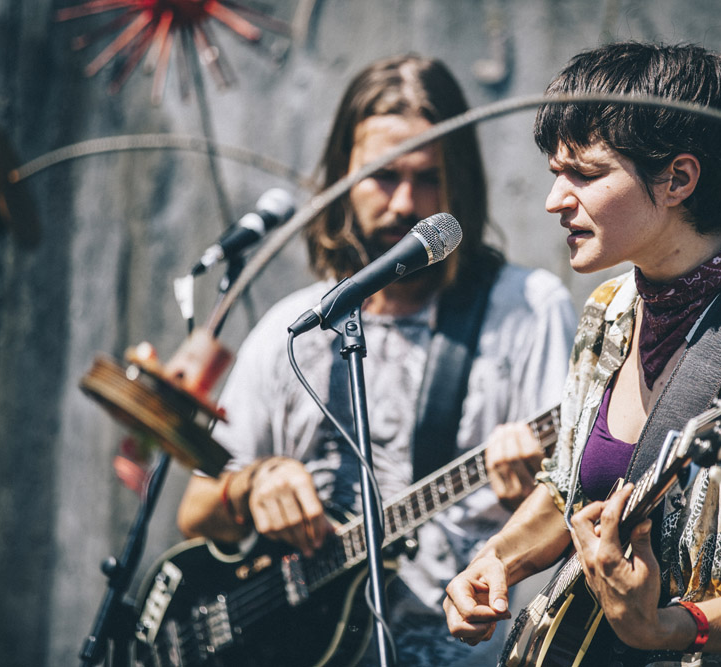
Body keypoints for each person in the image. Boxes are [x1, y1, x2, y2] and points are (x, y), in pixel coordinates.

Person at [444, 42, 721, 666]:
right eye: (554, 173)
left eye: (585, 174)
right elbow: (567, 490)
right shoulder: (610, 309)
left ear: (678, 179)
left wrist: (669, 628)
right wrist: (493, 562)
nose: (555, 199)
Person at [175, 55, 576, 666]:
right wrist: (254, 485)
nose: (405, 203)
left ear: (459, 184)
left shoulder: (528, 307)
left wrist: (541, 482)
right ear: (342, 177)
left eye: (429, 178)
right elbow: (195, 512)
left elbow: (578, 487)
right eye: (383, 176)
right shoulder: (293, 326)